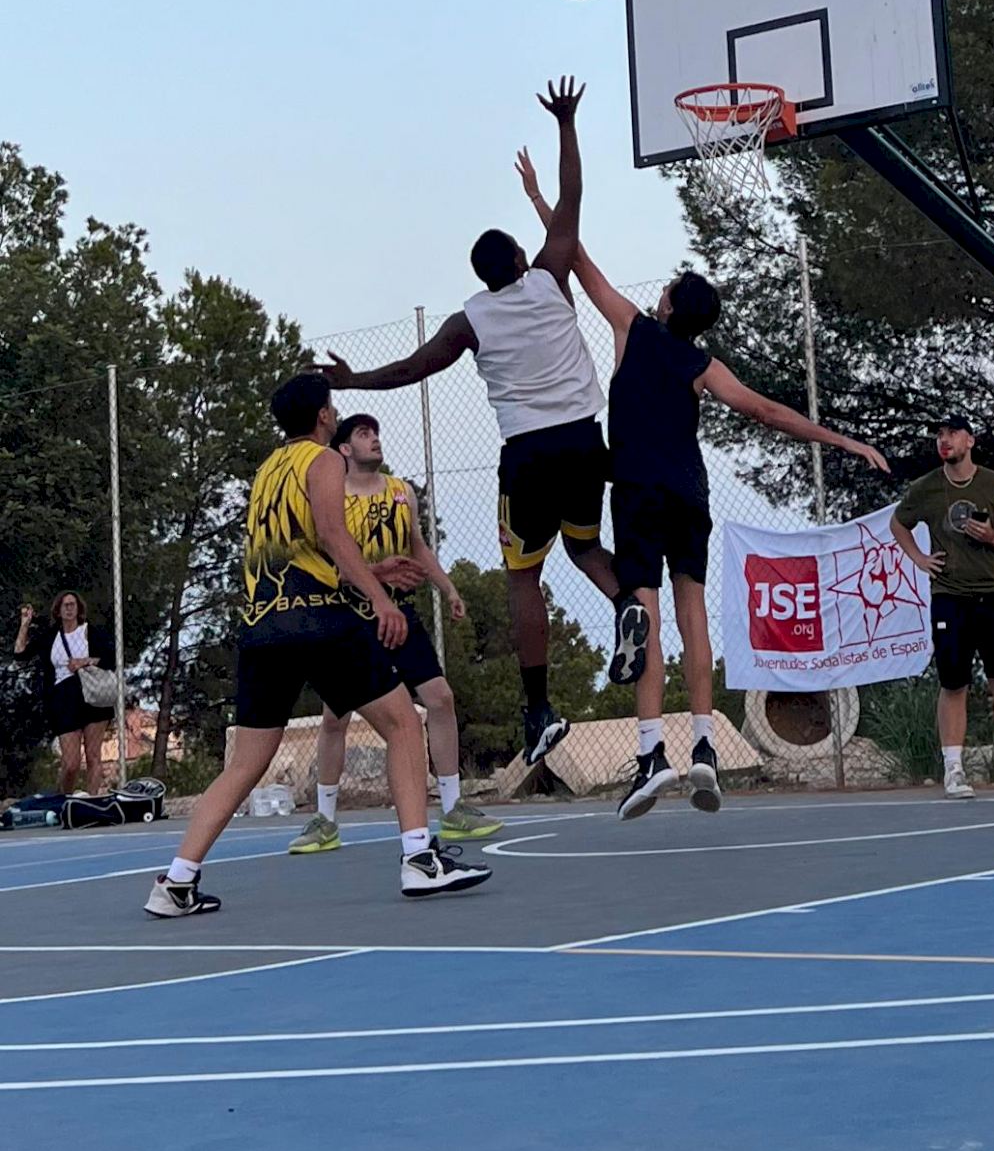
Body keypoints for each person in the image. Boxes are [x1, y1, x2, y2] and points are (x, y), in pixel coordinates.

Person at [518, 150, 891, 819]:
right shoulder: (701, 365)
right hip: (690, 493)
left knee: (646, 615)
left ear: (667, 303)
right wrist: (843, 440)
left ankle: (651, 755)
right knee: (693, 617)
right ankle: (704, 748)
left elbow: (575, 257)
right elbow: (765, 411)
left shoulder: (632, 329)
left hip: (637, 490)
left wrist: (544, 203)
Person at [317, 77, 650, 770]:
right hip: (585, 440)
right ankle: (625, 600)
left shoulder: (471, 318)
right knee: (586, 547)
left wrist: (351, 382)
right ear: (522, 261)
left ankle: (539, 708)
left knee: (524, 578)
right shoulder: (551, 276)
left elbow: (413, 368)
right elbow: (572, 199)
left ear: (481, 275)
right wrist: (566, 124)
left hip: (526, 454)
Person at [144, 373, 491, 918]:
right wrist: (380, 598)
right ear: (325, 416)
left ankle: (176, 881)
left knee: (245, 764)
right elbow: (332, 532)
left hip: (262, 626)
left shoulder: (267, 471)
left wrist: (372, 571)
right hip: (319, 620)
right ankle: (420, 860)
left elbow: (301, 551)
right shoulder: (324, 460)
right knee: (404, 724)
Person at [288, 413, 503, 853]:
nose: (374, 440)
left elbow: (417, 546)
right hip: (349, 615)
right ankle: (325, 819)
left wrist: (447, 587)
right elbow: (328, 566)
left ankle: (453, 807)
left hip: (399, 613)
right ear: (344, 448)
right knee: (335, 717)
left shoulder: (401, 492)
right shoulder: (331, 496)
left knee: (440, 698)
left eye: (376, 433)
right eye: (363, 434)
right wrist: (374, 573)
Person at [890, 412, 994, 799]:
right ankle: (954, 769)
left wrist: (991, 537)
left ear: (970, 440)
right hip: (950, 597)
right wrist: (919, 558)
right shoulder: (926, 487)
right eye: (939, 434)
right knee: (953, 682)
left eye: (953, 433)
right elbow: (898, 523)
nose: (944, 440)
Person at [14, 592, 115, 796]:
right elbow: (20, 654)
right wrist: (25, 624)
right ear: (58, 611)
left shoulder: (90, 632)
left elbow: (110, 659)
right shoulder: (51, 636)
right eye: (65, 605)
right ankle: (64, 800)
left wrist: (84, 661)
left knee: (94, 755)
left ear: (79, 608)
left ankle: (91, 801)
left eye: (72, 604)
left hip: (92, 695)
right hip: (64, 699)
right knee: (70, 763)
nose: (69, 608)